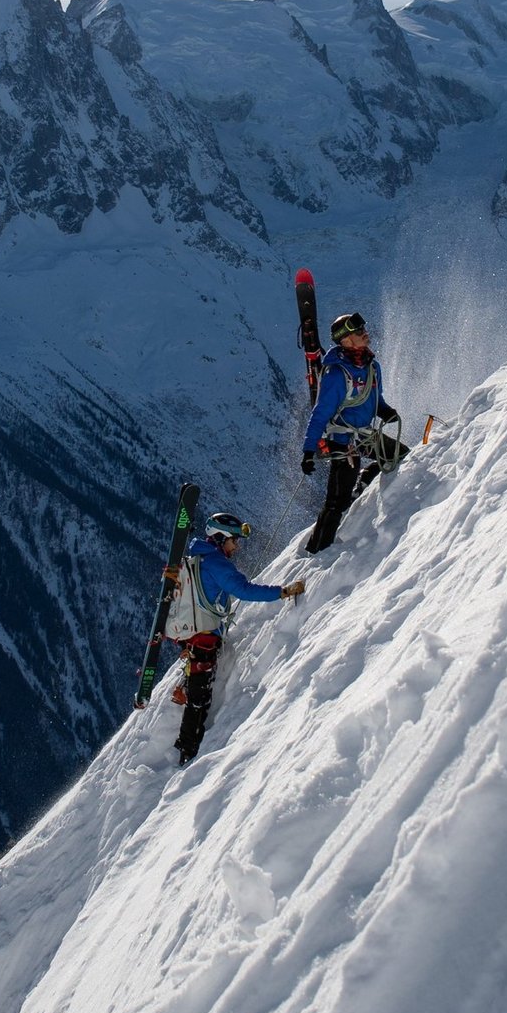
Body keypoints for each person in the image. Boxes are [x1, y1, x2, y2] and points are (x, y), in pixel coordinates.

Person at [164, 510, 303, 765]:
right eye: (234, 540)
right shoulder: (216, 563)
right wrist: (281, 592)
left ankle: (186, 743)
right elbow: (243, 590)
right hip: (204, 639)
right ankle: (186, 753)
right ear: (220, 538)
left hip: (194, 636)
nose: (236, 546)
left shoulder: (197, 556)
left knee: (198, 693)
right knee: (199, 700)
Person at [300, 311, 405, 553]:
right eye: (358, 331)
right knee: (336, 503)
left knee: (400, 455)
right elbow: (319, 415)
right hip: (343, 442)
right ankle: (316, 551)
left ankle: (363, 482)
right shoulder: (336, 375)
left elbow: (375, 400)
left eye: (363, 329)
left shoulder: (372, 366)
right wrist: (308, 451)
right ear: (346, 340)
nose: (364, 332)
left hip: (365, 435)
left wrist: (386, 412)